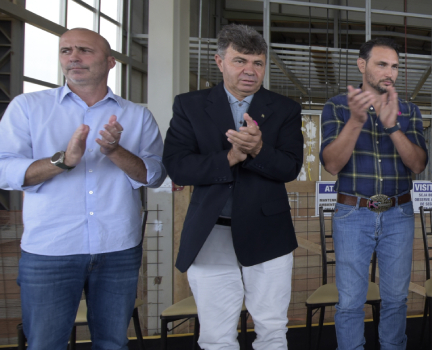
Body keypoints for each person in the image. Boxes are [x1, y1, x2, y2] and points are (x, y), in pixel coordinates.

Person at [0, 28, 166, 348]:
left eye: (84, 51)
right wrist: (62, 161)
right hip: (50, 250)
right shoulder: (28, 107)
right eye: (66, 51)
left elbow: (154, 175)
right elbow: (4, 169)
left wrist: (115, 151)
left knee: (112, 342)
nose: (73, 57)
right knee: (46, 343)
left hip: (118, 248)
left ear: (110, 62)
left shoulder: (137, 115)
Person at [163, 24, 303, 349]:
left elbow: (289, 167)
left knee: (272, 328)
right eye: (240, 61)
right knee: (215, 335)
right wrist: (230, 157)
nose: (250, 71)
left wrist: (257, 150)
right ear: (220, 61)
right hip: (211, 233)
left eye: (258, 63)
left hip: (269, 233)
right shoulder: (190, 105)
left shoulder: (284, 109)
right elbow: (177, 166)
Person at [319, 37, 427, 350]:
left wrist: (393, 127)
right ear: (362, 65)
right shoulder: (337, 106)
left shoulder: (409, 111)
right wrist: (356, 121)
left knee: (395, 300)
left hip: (399, 213)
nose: (389, 72)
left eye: (394, 66)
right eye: (382, 64)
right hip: (353, 214)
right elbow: (332, 164)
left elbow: (418, 164)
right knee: (351, 302)